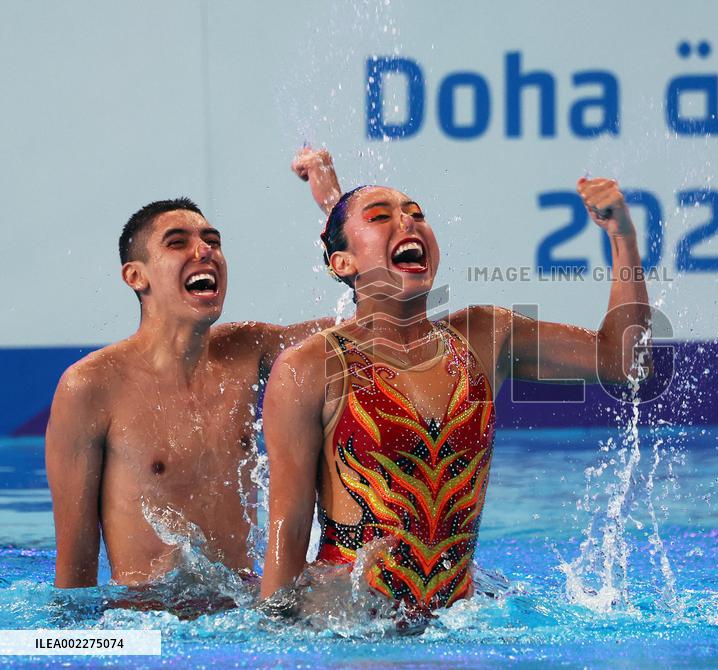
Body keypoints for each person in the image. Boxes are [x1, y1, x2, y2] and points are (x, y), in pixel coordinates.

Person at [260, 166, 652, 616]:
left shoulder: (486, 337)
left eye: (416, 214)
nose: (408, 222)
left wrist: (622, 235)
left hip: (458, 623)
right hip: (353, 631)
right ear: (343, 264)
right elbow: (286, 538)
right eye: (380, 216)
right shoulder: (310, 368)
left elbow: (625, 363)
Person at [45, 148, 343, 588]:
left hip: (244, 617)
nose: (205, 251)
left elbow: (373, 321)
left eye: (213, 241)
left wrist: (334, 206)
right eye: (177, 242)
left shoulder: (248, 349)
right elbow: (74, 573)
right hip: (148, 622)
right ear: (136, 276)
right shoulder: (90, 386)